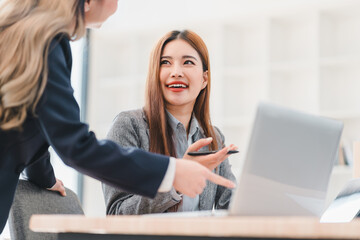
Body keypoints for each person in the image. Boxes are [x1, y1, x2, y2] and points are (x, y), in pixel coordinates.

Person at [0, 0, 235, 233]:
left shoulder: (33, 36)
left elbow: (28, 121)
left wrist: (44, 177)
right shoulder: (47, 42)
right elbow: (76, 146)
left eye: (187, 62)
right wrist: (173, 174)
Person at [102, 30, 237, 214]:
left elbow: (231, 206)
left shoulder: (213, 137)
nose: (176, 72)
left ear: (204, 79)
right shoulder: (129, 126)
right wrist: (175, 181)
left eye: (187, 62)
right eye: (165, 63)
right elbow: (116, 213)